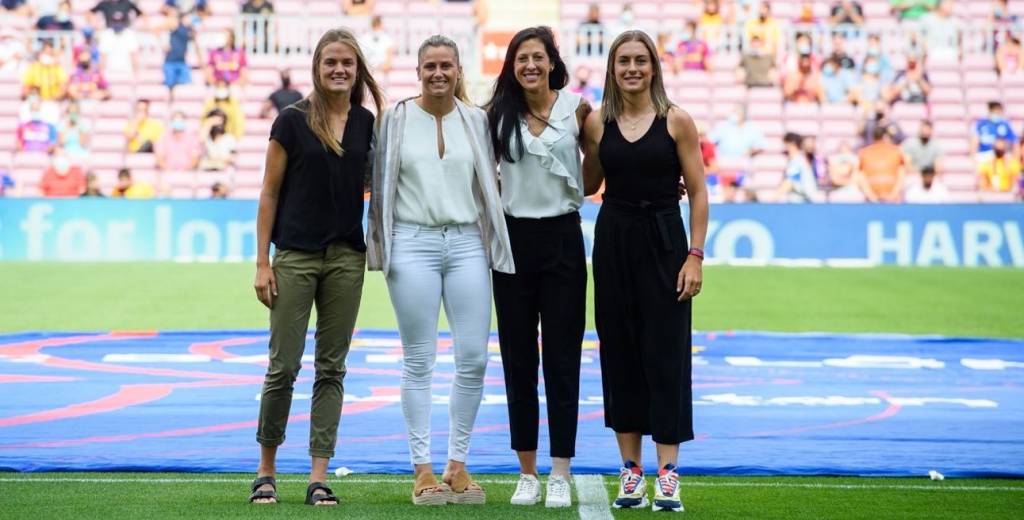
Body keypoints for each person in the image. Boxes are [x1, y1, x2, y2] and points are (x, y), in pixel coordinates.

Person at [366, 34, 514, 507]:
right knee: (419, 359)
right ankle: (422, 468)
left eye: (446, 66)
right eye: (429, 66)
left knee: (474, 357)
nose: (438, 74)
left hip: (468, 241)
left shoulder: (476, 120)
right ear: (418, 71)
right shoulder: (394, 120)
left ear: (458, 70)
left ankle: (457, 464)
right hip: (411, 243)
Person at [250, 28, 385, 507]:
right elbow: (269, 191)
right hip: (294, 257)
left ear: (357, 69)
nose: (339, 70)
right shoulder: (290, 121)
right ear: (316, 67)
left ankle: (318, 475)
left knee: (332, 369)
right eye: (331, 62)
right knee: (282, 367)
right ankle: (266, 471)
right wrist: (263, 262)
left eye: (347, 62)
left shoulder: (368, 122)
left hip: (347, 258)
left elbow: (374, 185)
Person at [580, 30, 708, 513]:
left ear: (654, 66)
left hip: (664, 239)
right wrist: (580, 139)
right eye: (623, 61)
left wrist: (694, 255)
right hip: (613, 238)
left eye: (640, 60)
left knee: (667, 353)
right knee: (620, 353)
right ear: (612, 69)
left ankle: (668, 473)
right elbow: (590, 182)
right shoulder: (597, 122)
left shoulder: (677, 121)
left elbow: (697, 192)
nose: (632, 68)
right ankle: (630, 472)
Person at [482, 26, 588, 509]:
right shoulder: (494, 116)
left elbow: (602, 168)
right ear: (512, 64)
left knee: (564, 359)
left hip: (564, 237)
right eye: (522, 58)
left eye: (538, 57)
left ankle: (561, 470)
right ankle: (526, 471)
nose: (530, 65)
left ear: (552, 62)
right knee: (518, 359)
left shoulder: (579, 109)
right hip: (513, 241)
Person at [857, 125, 905, 203]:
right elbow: (901, 175)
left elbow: (861, 178)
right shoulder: (897, 151)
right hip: (892, 200)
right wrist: (893, 195)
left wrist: (872, 197)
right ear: (885, 136)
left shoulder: (864, 152)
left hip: (872, 201)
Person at [775, 132, 820, 202]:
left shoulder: (796, 162)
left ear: (791, 145)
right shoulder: (800, 160)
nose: (783, 148)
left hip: (804, 202)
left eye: (785, 144)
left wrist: (772, 200)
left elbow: (789, 182)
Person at [163, 9, 195, 102]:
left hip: (182, 61)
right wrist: (162, 43)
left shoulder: (189, 30)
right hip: (171, 61)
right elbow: (157, 29)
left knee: (186, 86)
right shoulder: (175, 25)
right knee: (170, 86)